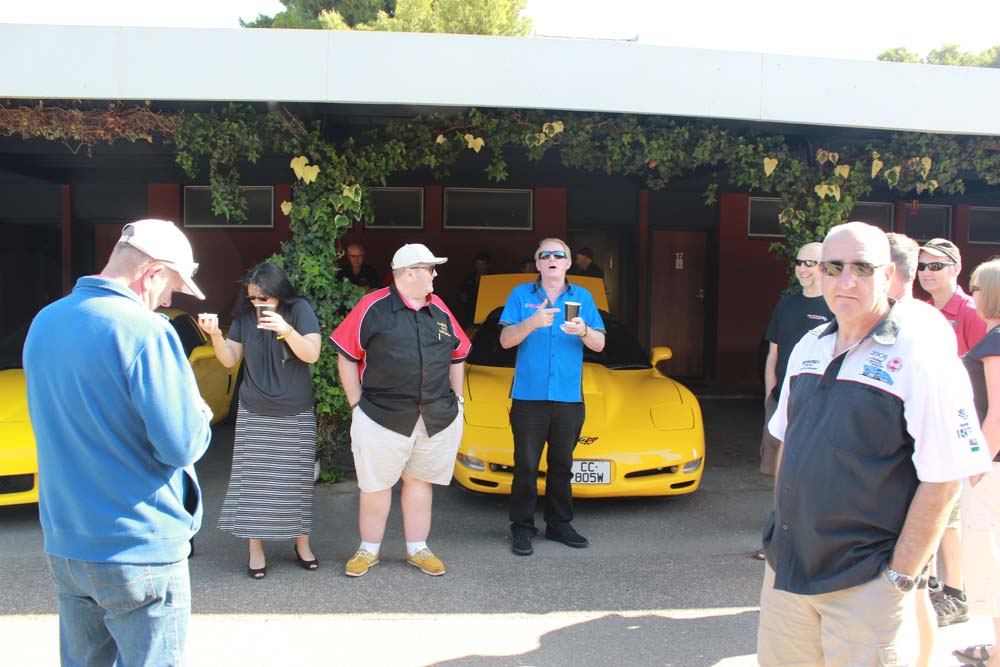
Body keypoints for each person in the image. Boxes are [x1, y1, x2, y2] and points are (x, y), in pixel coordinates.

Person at [757, 222, 993, 666]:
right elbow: (789, 443)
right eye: (834, 267)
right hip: (787, 574)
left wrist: (901, 577)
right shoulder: (808, 346)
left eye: (863, 267)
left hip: (865, 582)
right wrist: (779, 532)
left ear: (888, 276)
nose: (846, 280)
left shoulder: (919, 353)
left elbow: (945, 477)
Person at [23, 219, 213, 666]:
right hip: (139, 543)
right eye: (170, 288)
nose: (168, 301)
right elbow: (181, 445)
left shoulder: (45, 321)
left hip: (67, 542)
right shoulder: (146, 330)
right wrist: (201, 415)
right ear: (152, 273)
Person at [330, 243, 470, 577]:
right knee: (375, 486)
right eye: (430, 269)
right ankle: (368, 550)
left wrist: (458, 400)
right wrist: (356, 406)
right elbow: (346, 355)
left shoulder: (440, 308)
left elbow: (458, 354)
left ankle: (417, 548)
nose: (435, 275)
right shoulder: (372, 306)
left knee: (420, 483)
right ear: (409, 273)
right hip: (381, 416)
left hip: (435, 418)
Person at [198, 261, 323, 579]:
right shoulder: (244, 317)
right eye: (252, 298)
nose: (257, 303)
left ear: (279, 293)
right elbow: (229, 359)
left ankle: (302, 543)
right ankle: (255, 548)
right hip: (254, 408)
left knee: (296, 481)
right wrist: (215, 335)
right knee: (254, 483)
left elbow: (312, 354)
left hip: (295, 408)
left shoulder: (299, 309)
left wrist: (285, 329)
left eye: (263, 298)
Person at [499, 238, 606, 556]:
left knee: (561, 465)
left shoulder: (583, 297)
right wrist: (531, 323)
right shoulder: (520, 295)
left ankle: (559, 525)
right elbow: (505, 340)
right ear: (538, 263)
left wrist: (583, 331)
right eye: (544, 255)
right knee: (526, 466)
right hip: (528, 397)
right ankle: (522, 528)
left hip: (568, 397)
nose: (551, 258)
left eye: (558, 254)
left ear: (568, 263)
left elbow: (600, 344)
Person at [917, 237, 987, 626]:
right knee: (930, 513)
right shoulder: (924, 312)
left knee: (951, 518)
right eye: (922, 266)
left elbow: (985, 379)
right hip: (930, 429)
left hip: (960, 432)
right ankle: (929, 587)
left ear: (956, 269)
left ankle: (956, 594)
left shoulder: (971, 312)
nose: (927, 273)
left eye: (936, 266)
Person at [955, 258, 1000, 667]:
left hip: (993, 468)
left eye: (975, 287)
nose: (971, 295)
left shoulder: (996, 341)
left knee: (989, 561)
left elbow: (997, 414)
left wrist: (978, 467)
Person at [759, 242, 831, 478]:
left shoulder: (834, 308)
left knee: (810, 471)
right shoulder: (786, 304)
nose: (802, 268)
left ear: (824, 267)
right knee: (775, 470)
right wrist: (770, 397)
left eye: (809, 263)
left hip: (817, 405)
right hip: (780, 400)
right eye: (799, 262)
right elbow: (773, 355)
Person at [458, 251, 491, 328]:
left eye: (482, 265)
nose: (479, 267)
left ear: (487, 265)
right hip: (470, 312)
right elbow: (463, 296)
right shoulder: (469, 278)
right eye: (477, 264)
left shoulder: (492, 279)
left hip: (486, 313)